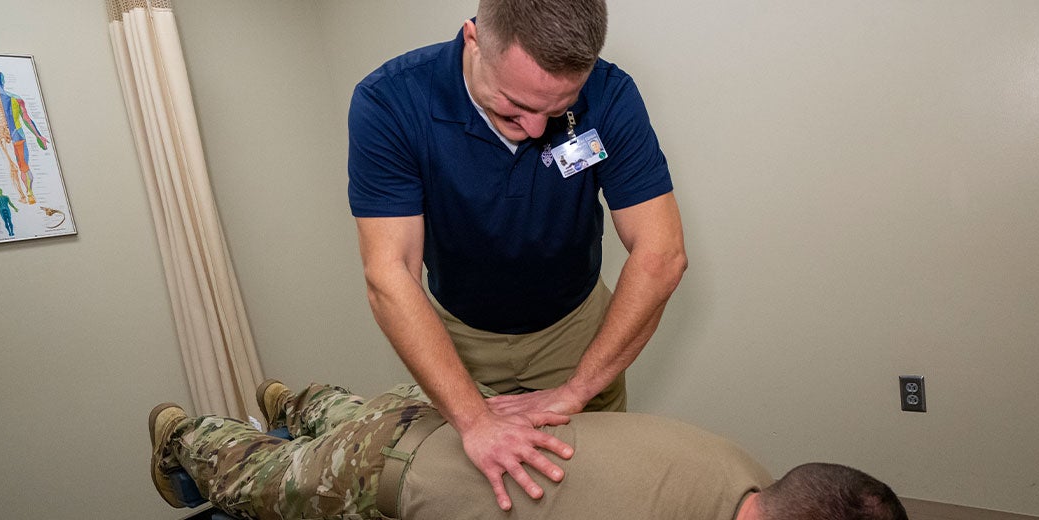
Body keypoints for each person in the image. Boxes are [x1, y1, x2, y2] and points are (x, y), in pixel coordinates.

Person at [348, 0, 686, 510]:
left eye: (554, 112)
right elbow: (388, 274)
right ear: (474, 39)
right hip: (457, 337)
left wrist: (577, 390)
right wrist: (474, 420)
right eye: (512, 106)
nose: (533, 129)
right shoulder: (391, 102)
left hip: (576, 329)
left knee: (594, 494)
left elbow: (661, 255)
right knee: (470, 494)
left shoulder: (611, 95)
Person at [148, 380, 909, 520]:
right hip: (380, 476)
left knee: (352, 412)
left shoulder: (743, 469)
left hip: (439, 418)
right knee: (254, 476)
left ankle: (300, 399)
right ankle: (185, 432)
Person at [0, 69, 50, 205]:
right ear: (3, 80)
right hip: (12, 134)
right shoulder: (10, 98)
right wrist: (38, 136)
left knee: (20, 166)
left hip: (10, 136)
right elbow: (26, 119)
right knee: (21, 166)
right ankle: (28, 194)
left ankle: (27, 193)